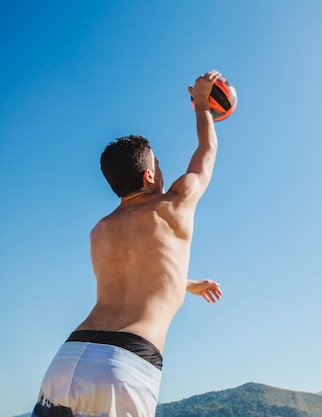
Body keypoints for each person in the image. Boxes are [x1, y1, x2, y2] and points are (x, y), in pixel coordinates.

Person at [31, 70, 225, 417]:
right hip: (124, 365)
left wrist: (189, 284)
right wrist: (201, 105)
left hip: (67, 358)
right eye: (159, 164)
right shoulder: (174, 204)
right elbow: (207, 151)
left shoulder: (101, 231)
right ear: (150, 174)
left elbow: (135, 276)